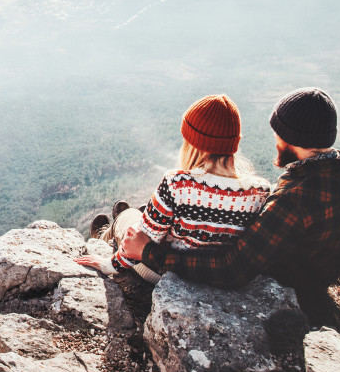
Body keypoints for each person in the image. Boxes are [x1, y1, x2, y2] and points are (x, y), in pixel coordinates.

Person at [116, 87, 340, 327]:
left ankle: (116, 224)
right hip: (323, 281)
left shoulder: (290, 203)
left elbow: (232, 269)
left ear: (288, 137)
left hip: (293, 294)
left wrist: (149, 252)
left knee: (131, 218)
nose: (274, 140)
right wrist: (336, 275)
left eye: (277, 132)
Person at [74, 94, 271, 283]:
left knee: (128, 219)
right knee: (141, 218)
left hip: (164, 274)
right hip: (217, 277)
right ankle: (145, 217)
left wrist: (109, 264)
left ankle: (103, 236)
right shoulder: (260, 191)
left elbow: (139, 243)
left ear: (193, 143)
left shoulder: (176, 183)